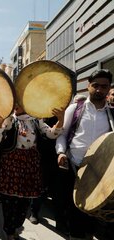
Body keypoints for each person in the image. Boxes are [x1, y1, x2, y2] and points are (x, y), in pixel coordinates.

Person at [0, 105, 64, 240]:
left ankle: (16, 225)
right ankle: (10, 231)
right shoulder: (9, 120)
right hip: (11, 164)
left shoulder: (36, 120)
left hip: (30, 165)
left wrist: (61, 119)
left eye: (20, 103)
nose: (16, 105)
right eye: (14, 102)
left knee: (25, 201)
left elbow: (51, 134)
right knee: (9, 200)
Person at [56, 69, 114, 240]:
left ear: (108, 88)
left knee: (95, 216)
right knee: (75, 215)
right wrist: (60, 152)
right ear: (88, 86)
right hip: (75, 169)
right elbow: (62, 134)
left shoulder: (111, 113)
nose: (99, 90)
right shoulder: (75, 109)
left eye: (104, 86)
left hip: (102, 173)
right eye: (95, 85)